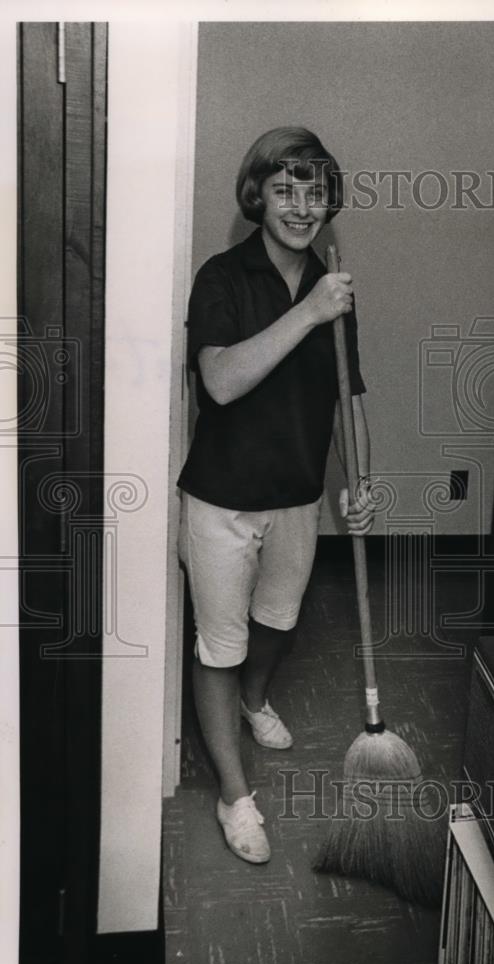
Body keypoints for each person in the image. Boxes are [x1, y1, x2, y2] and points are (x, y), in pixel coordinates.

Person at [177, 126, 373, 864]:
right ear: (257, 196)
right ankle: (234, 794)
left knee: (276, 621)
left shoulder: (336, 289)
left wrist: (359, 485)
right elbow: (221, 381)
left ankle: (255, 702)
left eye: (314, 191)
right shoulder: (223, 277)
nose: (300, 206)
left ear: (329, 201)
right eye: (284, 189)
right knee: (218, 648)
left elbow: (349, 399)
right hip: (222, 498)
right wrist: (310, 313)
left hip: (297, 495)